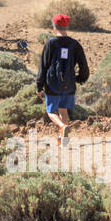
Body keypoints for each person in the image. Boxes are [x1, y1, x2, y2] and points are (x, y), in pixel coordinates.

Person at [36, 13, 89, 146]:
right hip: (69, 84)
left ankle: (62, 126)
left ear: (54, 27)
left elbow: (43, 66)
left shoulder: (50, 43)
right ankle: (63, 140)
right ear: (66, 27)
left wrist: (39, 86)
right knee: (63, 110)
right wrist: (80, 79)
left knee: (50, 112)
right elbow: (84, 65)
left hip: (53, 84)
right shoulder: (75, 44)